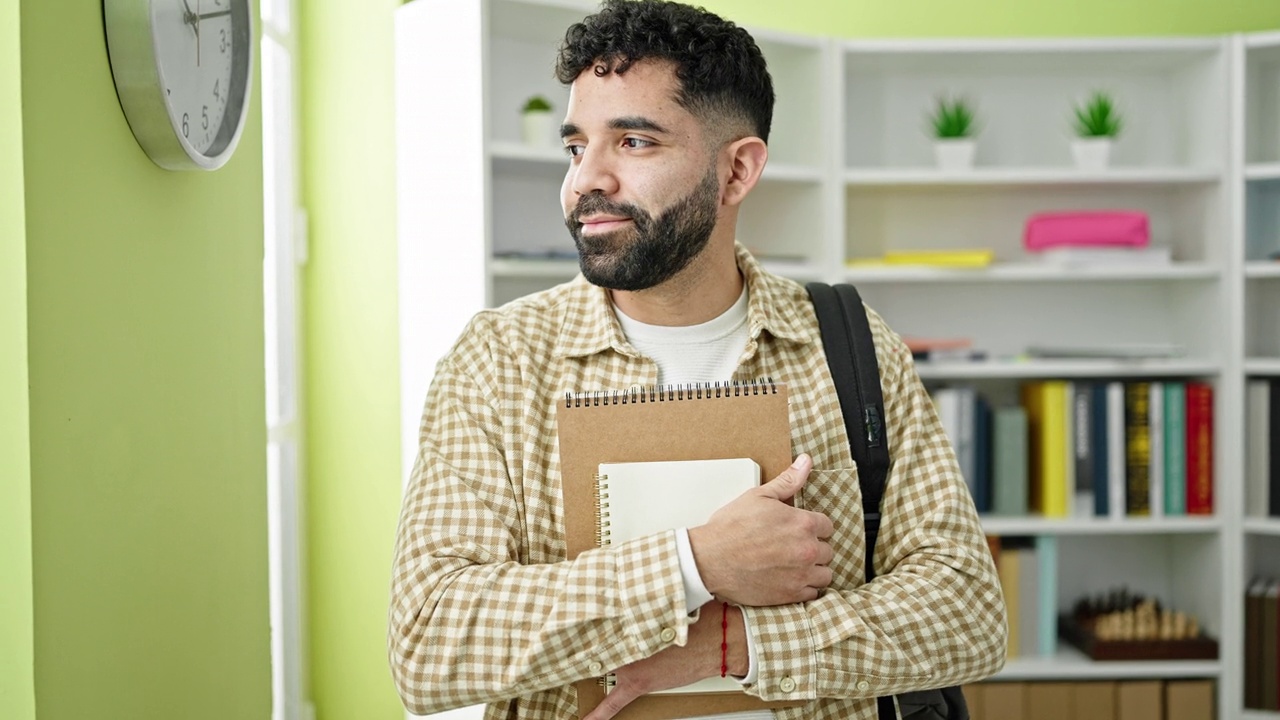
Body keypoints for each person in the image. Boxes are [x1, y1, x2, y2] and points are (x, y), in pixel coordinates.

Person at [388, 1, 1007, 719]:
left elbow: (967, 613)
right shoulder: (498, 360)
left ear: (737, 171)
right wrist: (696, 563)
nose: (585, 181)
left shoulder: (849, 342)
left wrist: (734, 646)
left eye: (634, 142)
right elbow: (428, 641)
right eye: (575, 146)